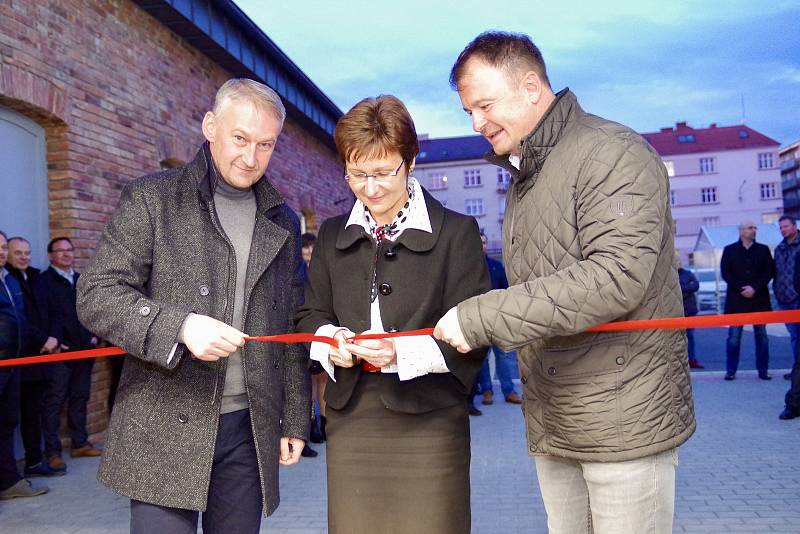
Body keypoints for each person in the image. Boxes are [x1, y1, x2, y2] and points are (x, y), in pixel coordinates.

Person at [434, 31, 695, 533]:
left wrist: (483, 316)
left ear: (531, 87)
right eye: (468, 110)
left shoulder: (611, 153)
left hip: (625, 418)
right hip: (558, 417)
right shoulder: (528, 173)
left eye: (485, 105)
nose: (476, 123)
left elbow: (617, 276)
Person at [76, 78, 310, 534]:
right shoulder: (152, 198)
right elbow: (96, 294)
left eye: (266, 145)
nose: (250, 156)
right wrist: (178, 327)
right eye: (240, 138)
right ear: (210, 126)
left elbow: (291, 324)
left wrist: (295, 416)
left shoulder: (283, 219)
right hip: (162, 423)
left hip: (247, 429)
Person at [296, 95, 490, 534]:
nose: (371, 187)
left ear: (411, 162)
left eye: (384, 172)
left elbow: (476, 329)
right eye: (357, 174)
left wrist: (399, 352)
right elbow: (310, 314)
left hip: (431, 418)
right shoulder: (329, 235)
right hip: (352, 418)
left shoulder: (456, 233)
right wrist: (332, 340)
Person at [39, 236, 101, 473]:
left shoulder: (79, 280)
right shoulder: (43, 282)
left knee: (79, 398)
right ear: (50, 256)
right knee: (54, 402)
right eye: (60, 251)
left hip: (84, 352)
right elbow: (46, 316)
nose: (66, 254)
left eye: (69, 250)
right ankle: (52, 452)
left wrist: (94, 335)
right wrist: (58, 342)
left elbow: (91, 311)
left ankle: (79, 443)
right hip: (60, 354)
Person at [5, 237, 63, 477]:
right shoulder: (7, 280)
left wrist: (54, 339)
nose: (23, 257)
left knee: (35, 412)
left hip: (43, 358)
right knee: (15, 418)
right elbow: (19, 320)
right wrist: (43, 341)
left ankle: (34, 461)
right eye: (18, 253)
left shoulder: (36, 277)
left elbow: (53, 311)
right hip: (23, 358)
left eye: (27, 253)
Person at [0, 230, 49, 500]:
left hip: (13, 363)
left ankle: (8, 482)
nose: (2, 253)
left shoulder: (9, 280)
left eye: (3, 247)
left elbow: (20, 320)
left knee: (8, 422)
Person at [720, 221, 775, 381]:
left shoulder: (763, 250)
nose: (753, 230)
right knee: (734, 338)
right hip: (737, 301)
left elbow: (769, 272)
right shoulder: (730, 250)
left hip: (759, 300)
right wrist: (742, 288)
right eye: (750, 228)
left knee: (762, 337)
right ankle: (731, 371)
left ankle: (763, 371)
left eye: (754, 228)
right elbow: (726, 273)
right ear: (741, 231)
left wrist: (755, 288)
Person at [476, 233, 522, 405]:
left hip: (497, 320)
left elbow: (506, 291)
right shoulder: (469, 268)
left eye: (484, 242)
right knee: (483, 359)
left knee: (503, 357)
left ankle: (509, 391)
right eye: (479, 242)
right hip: (478, 320)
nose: (483, 245)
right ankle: (487, 391)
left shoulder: (496, 266)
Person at [301, 232, 326, 450]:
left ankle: (324, 424)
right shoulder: (298, 271)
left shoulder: (322, 269)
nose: (309, 252)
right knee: (307, 382)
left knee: (322, 379)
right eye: (305, 248)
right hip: (301, 332)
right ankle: (310, 426)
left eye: (312, 248)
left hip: (321, 330)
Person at [773, 215, 800, 380]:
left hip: (798, 297)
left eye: (785, 226)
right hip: (784, 299)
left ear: (794, 226)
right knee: (795, 337)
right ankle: (797, 370)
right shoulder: (779, 248)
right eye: (781, 227)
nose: (783, 230)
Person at [675, 252, 703, 369]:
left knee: (690, 336)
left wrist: (682, 288)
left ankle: (692, 359)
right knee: (677, 338)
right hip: (676, 311)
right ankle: (679, 362)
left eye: (679, 261)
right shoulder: (670, 275)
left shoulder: (688, 273)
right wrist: (687, 288)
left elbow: (695, 285)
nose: (679, 263)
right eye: (676, 261)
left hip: (690, 310)